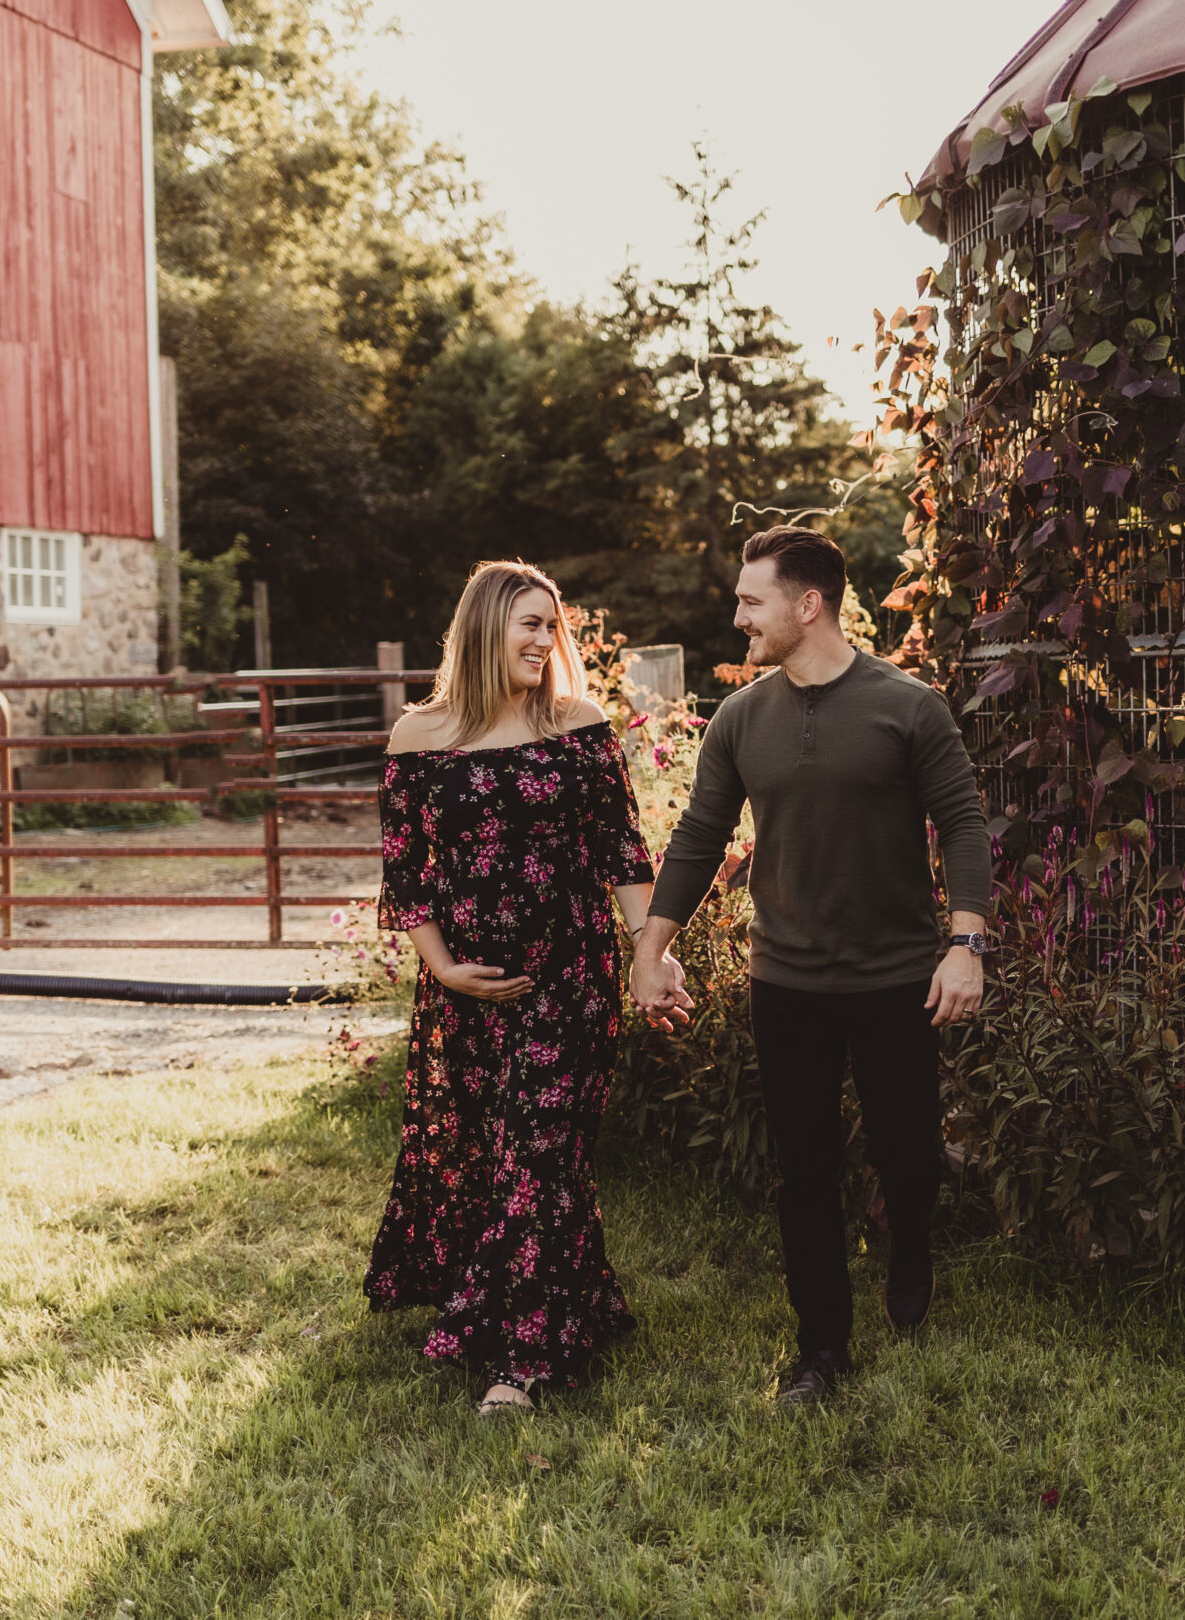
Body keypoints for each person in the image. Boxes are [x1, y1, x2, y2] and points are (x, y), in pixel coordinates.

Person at [630, 525, 992, 1407]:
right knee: (804, 1167)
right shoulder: (740, 718)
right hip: (786, 982)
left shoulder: (910, 707)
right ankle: (821, 1347)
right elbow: (699, 836)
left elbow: (964, 826)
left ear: (808, 604)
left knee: (908, 1153)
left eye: (751, 600)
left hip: (896, 980)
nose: (738, 617)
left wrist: (966, 945)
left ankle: (911, 1248)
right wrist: (651, 947)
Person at [364, 560, 678, 1416]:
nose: (545, 640)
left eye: (552, 625)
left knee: (539, 1149)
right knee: (500, 1155)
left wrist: (649, 953)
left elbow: (621, 849)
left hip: (570, 975)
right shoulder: (419, 735)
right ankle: (582, 1301)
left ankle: (519, 1359)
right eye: (529, 624)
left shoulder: (578, 723)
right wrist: (441, 966)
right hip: (469, 989)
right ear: (484, 627)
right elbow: (406, 871)